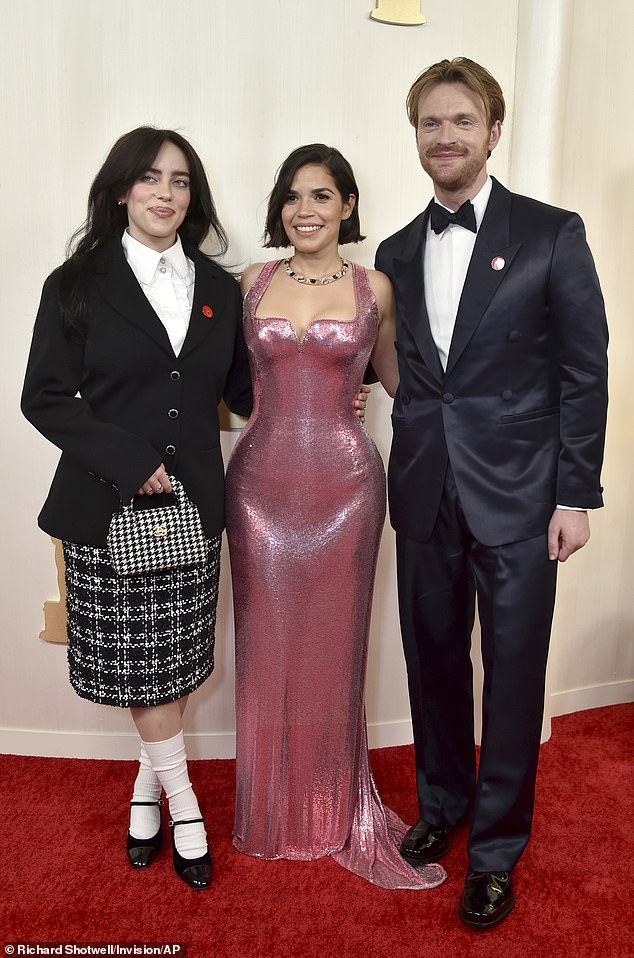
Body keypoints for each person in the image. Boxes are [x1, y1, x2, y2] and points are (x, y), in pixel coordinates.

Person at [375, 58, 608, 926]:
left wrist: (574, 494)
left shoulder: (553, 232)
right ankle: (444, 807)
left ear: (492, 131)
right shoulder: (396, 250)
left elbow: (586, 371)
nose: (445, 137)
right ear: (418, 137)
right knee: (431, 661)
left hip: (523, 496)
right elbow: (399, 372)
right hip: (424, 486)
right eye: (431, 124)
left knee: (512, 676)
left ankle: (499, 849)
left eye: (461, 122)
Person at [21, 127, 254, 890]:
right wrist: (130, 458)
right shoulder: (77, 283)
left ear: (194, 196)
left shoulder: (221, 290)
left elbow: (245, 393)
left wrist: (331, 380)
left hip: (197, 509)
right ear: (121, 189)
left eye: (181, 181)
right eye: (150, 178)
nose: (166, 193)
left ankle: (147, 786)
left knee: (175, 665)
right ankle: (185, 806)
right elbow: (44, 397)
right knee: (142, 670)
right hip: (106, 506)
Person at [224, 144, 445, 890]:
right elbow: (224, 386)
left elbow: (400, 382)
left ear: (347, 205)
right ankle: (269, 812)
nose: (305, 210)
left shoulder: (372, 283)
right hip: (257, 488)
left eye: (321, 195)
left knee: (334, 647)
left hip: (347, 490)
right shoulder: (254, 281)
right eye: (292, 197)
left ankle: (326, 811)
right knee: (265, 646)